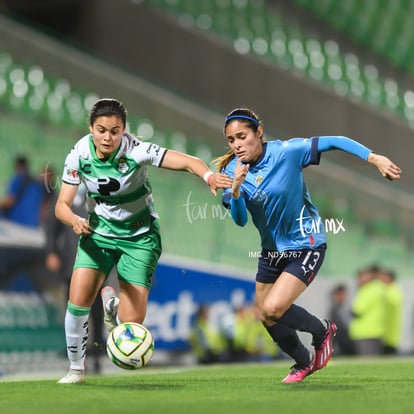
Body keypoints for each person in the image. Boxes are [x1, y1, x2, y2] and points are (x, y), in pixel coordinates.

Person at [214, 107, 401, 383]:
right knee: (266, 316)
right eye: (231, 140)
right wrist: (237, 191)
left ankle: (322, 331)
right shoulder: (231, 170)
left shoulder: (287, 152)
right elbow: (240, 220)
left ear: (259, 132)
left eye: (242, 136)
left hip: (306, 243)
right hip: (271, 252)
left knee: (274, 308)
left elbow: (335, 140)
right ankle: (303, 362)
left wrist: (373, 158)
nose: (237, 145)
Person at [55, 98, 232, 383]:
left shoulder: (137, 150)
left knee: (131, 321)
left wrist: (208, 176)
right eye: (101, 130)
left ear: (124, 130)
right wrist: (74, 220)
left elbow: (187, 161)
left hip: (139, 237)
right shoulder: (78, 154)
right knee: (77, 302)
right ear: (91, 128)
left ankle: (113, 308)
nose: (108, 137)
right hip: (97, 234)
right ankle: (76, 369)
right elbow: (61, 205)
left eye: (115, 130)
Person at [349, 265, 387, 356]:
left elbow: (357, 310)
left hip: (366, 333)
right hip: (374, 331)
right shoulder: (379, 288)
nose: (359, 279)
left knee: (367, 361)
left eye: (361, 276)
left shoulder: (369, 290)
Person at [377, 268, 403, 355]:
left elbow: (393, 302)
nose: (380, 279)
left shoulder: (393, 290)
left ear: (389, 278)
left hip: (390, 334)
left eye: (383, 277)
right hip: (386, 333)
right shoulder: (388, 289)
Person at [328, 284, 355, 356]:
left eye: (342, 294)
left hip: (351, 340)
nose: (341, 297)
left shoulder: (350, 308)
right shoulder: (334, 310)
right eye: (338, 295)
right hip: (342, 343)